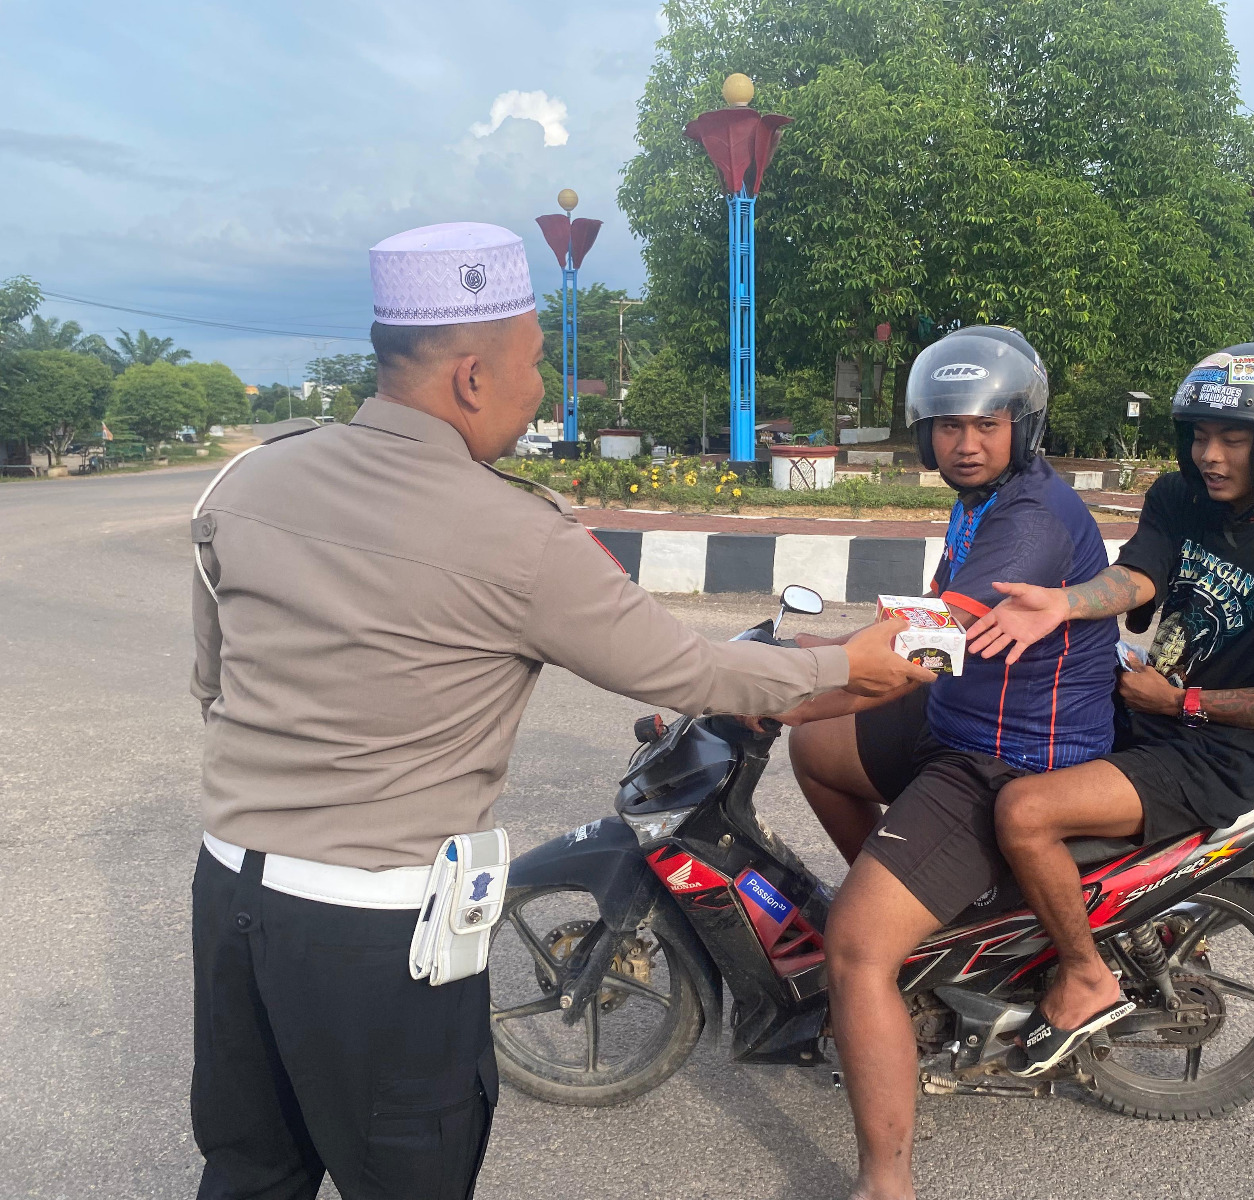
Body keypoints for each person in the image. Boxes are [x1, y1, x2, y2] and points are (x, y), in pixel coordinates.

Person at [187, 221, 932, 1200]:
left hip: (231, 898)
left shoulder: (248, 481)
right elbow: (689, 671)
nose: (540, 387)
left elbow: (213, 683)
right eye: (533, 362)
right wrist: (855, 665)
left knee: (249, 1171)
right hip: (379, 930)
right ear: (469, 378)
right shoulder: (513, 533)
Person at [963, 343, 1254, 1077]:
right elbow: (1140, 573)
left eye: (1233, 439)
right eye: (1200, 437)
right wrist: (1064, 603)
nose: (1209, 456)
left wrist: (1184, 699)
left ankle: (1085, 976)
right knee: (996, 741)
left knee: (1025, 812)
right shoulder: (1181, 497)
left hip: (1215, 756)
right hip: (1139, 708)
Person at [781, 326, 1118, 1200]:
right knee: (814, 744)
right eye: (947, 425)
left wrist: (777, 684)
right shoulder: (985, 500)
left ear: (1024, 426)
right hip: (957, 715)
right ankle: (921, 929)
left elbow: (928, 641)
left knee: (852, 952)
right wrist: (814, 668)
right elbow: (922, 630)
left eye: (986, 425)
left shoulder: (1034, 519)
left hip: (1006, 755)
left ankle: (886, 1182)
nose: (964, 443)